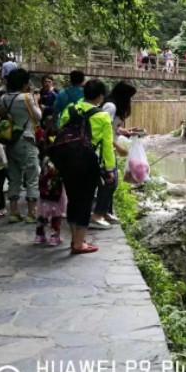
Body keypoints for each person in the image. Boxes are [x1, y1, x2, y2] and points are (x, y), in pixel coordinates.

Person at [58, 79, 116, 254]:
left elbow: (62, 134)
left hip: (67, 161)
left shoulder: (71, 110)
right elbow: (107, 146)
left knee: (72, 198)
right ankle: (79, 243)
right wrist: (109, 170)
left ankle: (75, 238)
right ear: (100, 97)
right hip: (88, 163)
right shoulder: (102, 116)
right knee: (85, 201)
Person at [0, 68, 42, 223]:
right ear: (25, 83)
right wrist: (37, 101)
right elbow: (38, 117)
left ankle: (14, 212)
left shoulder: (5, 98)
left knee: (14, 177)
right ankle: (32, 213)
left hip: (11, 142)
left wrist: (3, 126)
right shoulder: (27, 97)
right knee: (32, 176)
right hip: (26, 140)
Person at [91, 81, 137, 228]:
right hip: (103, 149)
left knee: (111, 182)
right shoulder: (110, 107)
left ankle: (105, 212)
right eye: (130, 96)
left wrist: (125, 131)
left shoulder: (114, 107)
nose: (131, 100)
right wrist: (119, 147)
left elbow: (112, 128)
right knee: (110, 182)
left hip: (109, 149)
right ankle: (97, 215)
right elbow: (102, 132)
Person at [35, 157, 66, 247]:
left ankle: (39, 235)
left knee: (42, 213)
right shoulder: (59, 158)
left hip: (44, 192)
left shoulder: (46, 159)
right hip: (56, 192)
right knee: (56, 214)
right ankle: (54, 236)